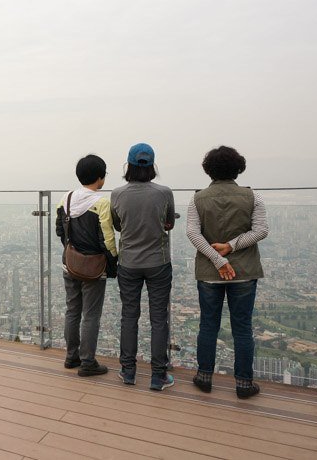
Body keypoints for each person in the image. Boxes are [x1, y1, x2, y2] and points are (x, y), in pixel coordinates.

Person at [186, 146, 268, 399]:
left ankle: (204, 377)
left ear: (208, 169)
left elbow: (192, 233)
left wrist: (217, 259)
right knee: (242, 327)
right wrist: (232, 247)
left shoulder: (197, 198)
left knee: (208, 325)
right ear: (238, 168)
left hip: (209, 272)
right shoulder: (253, 197)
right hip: (243, 271)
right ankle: (243, 384)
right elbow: (261, 230)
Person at [111, 143, 176, 391]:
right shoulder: (164, 192)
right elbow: (169, 222)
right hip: (158, 261)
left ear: (128, 166)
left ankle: (128, 371)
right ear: (152, 166)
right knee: (159, 318)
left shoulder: (117, 194)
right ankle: (158, 375)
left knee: (129, 315)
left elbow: (118, 225)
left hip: (128, 262)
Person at [55, 154, 118, 377]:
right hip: (93, 267)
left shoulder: (67, 199)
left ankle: (71, 356)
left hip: (70, 263)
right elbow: (107, 238)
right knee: (91, 315)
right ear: (100, 178)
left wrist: (72, 250)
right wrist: (112, 263)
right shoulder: (101, 202)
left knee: (72, 310)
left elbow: (60, 231)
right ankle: (88, 362)